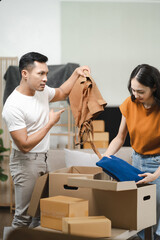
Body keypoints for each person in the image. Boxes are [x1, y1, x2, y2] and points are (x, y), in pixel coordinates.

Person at [2, 52, 90, 228]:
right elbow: (24, 145)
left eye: (46, 73)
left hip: (43, 158)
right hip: (25, 162)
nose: (45, 78)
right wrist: (50, 124)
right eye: (40, 74)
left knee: (40, 215)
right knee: (23, 218)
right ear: (25, 74)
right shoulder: (13, 105)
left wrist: (76, 73)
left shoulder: (41, 91)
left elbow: (63, 92)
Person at [103, 64, 160, 240]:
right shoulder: (129, 104)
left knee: (155, 211)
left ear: (154, 88)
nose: (136, 95)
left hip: (158, 164)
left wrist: (156, 175)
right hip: (137, 162)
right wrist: (107, 156)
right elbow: (120, 137)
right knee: (140, 212)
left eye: (141, 91)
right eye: (133, 90)